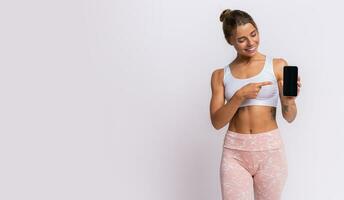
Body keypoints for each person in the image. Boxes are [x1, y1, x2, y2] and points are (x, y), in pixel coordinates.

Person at [209, 9, 302, 200]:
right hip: (235, 152)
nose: (251, 43)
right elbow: (217, 122)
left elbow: (290, 117)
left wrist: (288, 102)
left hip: (270, 150)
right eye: (242, 39)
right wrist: (239, 96)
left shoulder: (277, 65)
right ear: (230, 41)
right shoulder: (220, 75)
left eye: (253, 34)